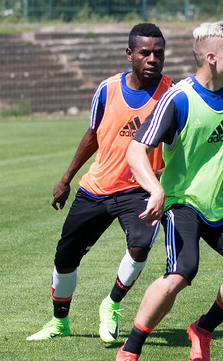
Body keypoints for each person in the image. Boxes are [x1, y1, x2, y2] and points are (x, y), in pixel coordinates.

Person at [112, 18, 223, 361]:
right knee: (181, 273)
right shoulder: (178, 99)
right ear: (212, 58)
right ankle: (130, 351)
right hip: (183, 202)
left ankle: (202, 328)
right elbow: (136, 151)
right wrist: (155, 189)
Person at [27, 23, 174, 343]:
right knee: (65, 259)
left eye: (158, 53)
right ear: (129, 54)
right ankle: (58, 323)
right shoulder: (107, 89)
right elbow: (92, 135)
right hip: (96, 188)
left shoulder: (172, 93)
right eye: (145, 53)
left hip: (140, 189)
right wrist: (66, 179)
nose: (152, 59)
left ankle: (112, 305)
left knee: (140, 245)